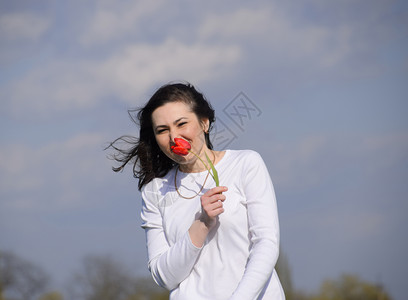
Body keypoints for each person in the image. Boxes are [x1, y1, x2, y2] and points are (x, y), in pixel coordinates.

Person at [108, 82, 285, 299]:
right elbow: (164, 276)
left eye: (182, 124)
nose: (174, 138)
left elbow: (266, 244)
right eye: (162, 130)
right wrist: (201, 224)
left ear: (204, 123)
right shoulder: (155, 191)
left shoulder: (246, 164)